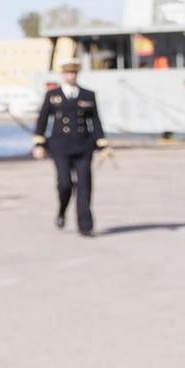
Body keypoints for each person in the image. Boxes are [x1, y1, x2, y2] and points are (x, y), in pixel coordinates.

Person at [33, 58, 106, 236]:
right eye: (68, 73)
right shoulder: (53, 95)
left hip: (83, 146)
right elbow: (42, 121)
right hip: (60, 146)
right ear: (63, 75)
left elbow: (95, 121)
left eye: (74, 73)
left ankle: (86, 226)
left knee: (85, 186)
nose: (71, 76)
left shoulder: (88, 95)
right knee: (64, 184)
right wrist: (39, 144)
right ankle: (62, 210)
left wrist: (103, 144)